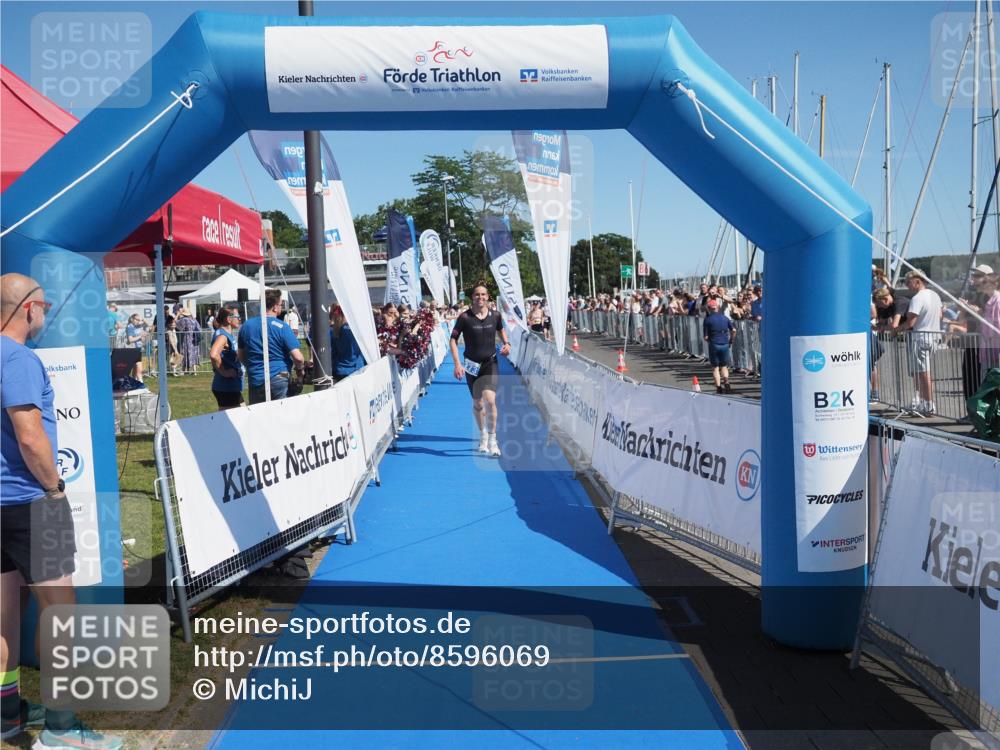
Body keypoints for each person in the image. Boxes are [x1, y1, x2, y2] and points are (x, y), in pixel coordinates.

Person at [0, 274, 123, 749]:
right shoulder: (20, 360)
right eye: (45, 305)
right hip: (30, 502)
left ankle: (8, 711)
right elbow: (30, 437)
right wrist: (55, 488)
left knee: (6, 611)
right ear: (28, 309)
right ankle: (61, 728)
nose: (47, 314)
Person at [449, 283, 511, 457]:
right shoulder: (464, 317)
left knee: (490, 400)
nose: (480, 297)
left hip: (490, 363)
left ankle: (493, 439)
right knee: (478, 403)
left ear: (488, 296)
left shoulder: (495, 315)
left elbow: (500, 330)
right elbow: (453, 340)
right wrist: (457, 363)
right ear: (472, 297)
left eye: (483, 294)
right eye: (477, 295)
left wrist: (506, 344)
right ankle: (483, 434)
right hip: (471, 365)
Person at [238, 289, 305, 405]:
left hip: (255, 379)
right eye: (280, 305)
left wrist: (253, 367)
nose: (281, 307)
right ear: (275, 307)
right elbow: (298, 358)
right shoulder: (282, 327)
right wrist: (300, 370)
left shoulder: (246, 326)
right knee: (281, 416)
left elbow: (241, 355)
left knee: (259, 418)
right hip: (278, 377)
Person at [903, 270, 943, 415]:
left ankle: (929, 404)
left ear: (917, 281)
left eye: (908, 282)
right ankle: (923, 402)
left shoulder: (917, 298)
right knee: (922, 372)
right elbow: (939, 315)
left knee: (923, 373)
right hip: (933, 337)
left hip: (920, 338)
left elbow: (910, 322)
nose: (907, 285)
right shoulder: (935, 295)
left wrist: (897, 329)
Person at [209, 307, 244, 410]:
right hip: (225, 386)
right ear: (229, 319)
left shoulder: (226, 334)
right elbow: (214, 354)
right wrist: (224, 372)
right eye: (237, 317)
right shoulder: (223, 336)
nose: (240, 319)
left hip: (230, 386)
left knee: (242, 413)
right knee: (231, 421)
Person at [703, 298, 735, 394]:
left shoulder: (707, 320)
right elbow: (734, 330)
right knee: (724, 366)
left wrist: (709, 341)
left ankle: (718, 387)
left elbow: (705, 336)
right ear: (717, 307)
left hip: (714, 343)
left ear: (709, 309)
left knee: (715, 368)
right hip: (725, 343)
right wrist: (731, 340)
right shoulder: (725, 318)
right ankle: (727, 383)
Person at [329, 306, 366, 381]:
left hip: (340, 369)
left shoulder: (333, 331)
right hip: (355, 370)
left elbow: (332, 352)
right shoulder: (352, 331)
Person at [124, 313, 145, 382]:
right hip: (132, 349)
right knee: (139, 368)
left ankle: (134, 383)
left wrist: (143, 320)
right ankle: (141, 384)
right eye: (137, 320)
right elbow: (130, 340)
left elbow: (149, 326)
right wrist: (140, 336)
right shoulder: (130, 327)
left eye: (139, 320)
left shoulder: (136, 327)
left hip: (137, 349)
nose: (138, 321)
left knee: (136, 369)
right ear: (132, 319)